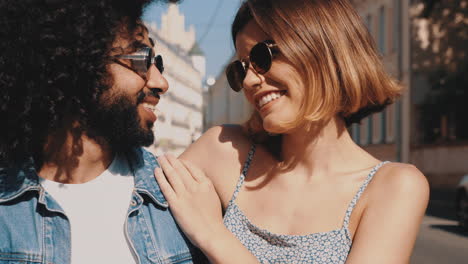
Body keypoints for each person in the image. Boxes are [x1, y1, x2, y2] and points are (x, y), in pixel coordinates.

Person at [154, 0, 430, 263]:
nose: (249, 81)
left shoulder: (393, 186)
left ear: (324, 50)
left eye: (262, 56)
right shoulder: (223, 150)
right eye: (240, 69)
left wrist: (214, 236)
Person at [0, 0, 207, 263]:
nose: (161, 82)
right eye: (143, 59)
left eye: (159, 63)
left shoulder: (175, 198)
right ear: (76, 63)